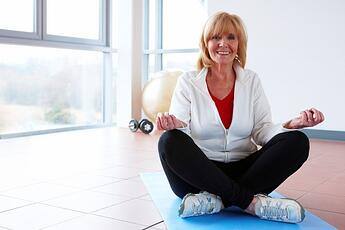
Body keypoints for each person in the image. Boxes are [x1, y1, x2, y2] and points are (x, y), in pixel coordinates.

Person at [155, 11, 324, 224]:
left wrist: (294, 124)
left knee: (297, 141)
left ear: (239, 44)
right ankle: (250, 203)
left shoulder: (251, 80)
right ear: (206, 43)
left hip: (245, 171)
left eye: (230, 37)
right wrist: (175, 125)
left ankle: (217, 201)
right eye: (215, 37)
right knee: (169, 141)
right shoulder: (188, 81)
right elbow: (182, 130)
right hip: (200, 175)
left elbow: (262, 131)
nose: (223, 43)